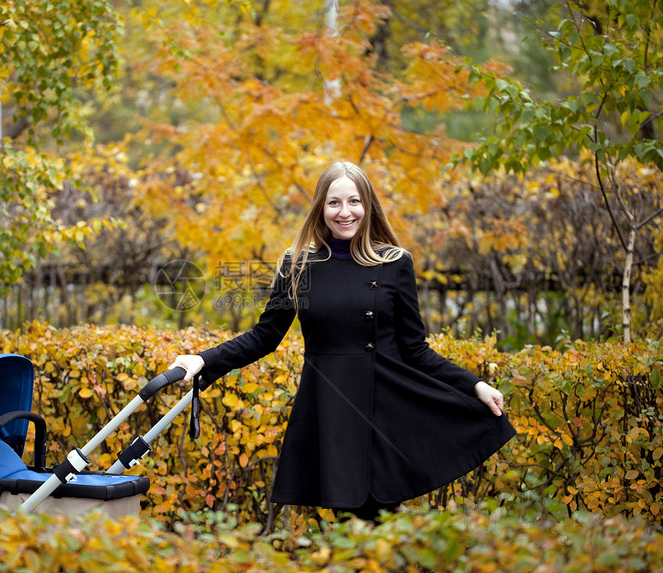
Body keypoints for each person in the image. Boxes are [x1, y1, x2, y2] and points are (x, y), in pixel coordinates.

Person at [170, 160, 516, 521]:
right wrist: (203, 360)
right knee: (351, 517)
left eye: (354, 201)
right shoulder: (297, 264)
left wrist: (473, 384)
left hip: (388, 407)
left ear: (368, 206)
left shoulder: (394, 263)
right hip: (332, 409)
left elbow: (415, 349)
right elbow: (265, 336)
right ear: (321, 207)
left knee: (380, 519)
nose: (345, 212)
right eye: (334, 202)